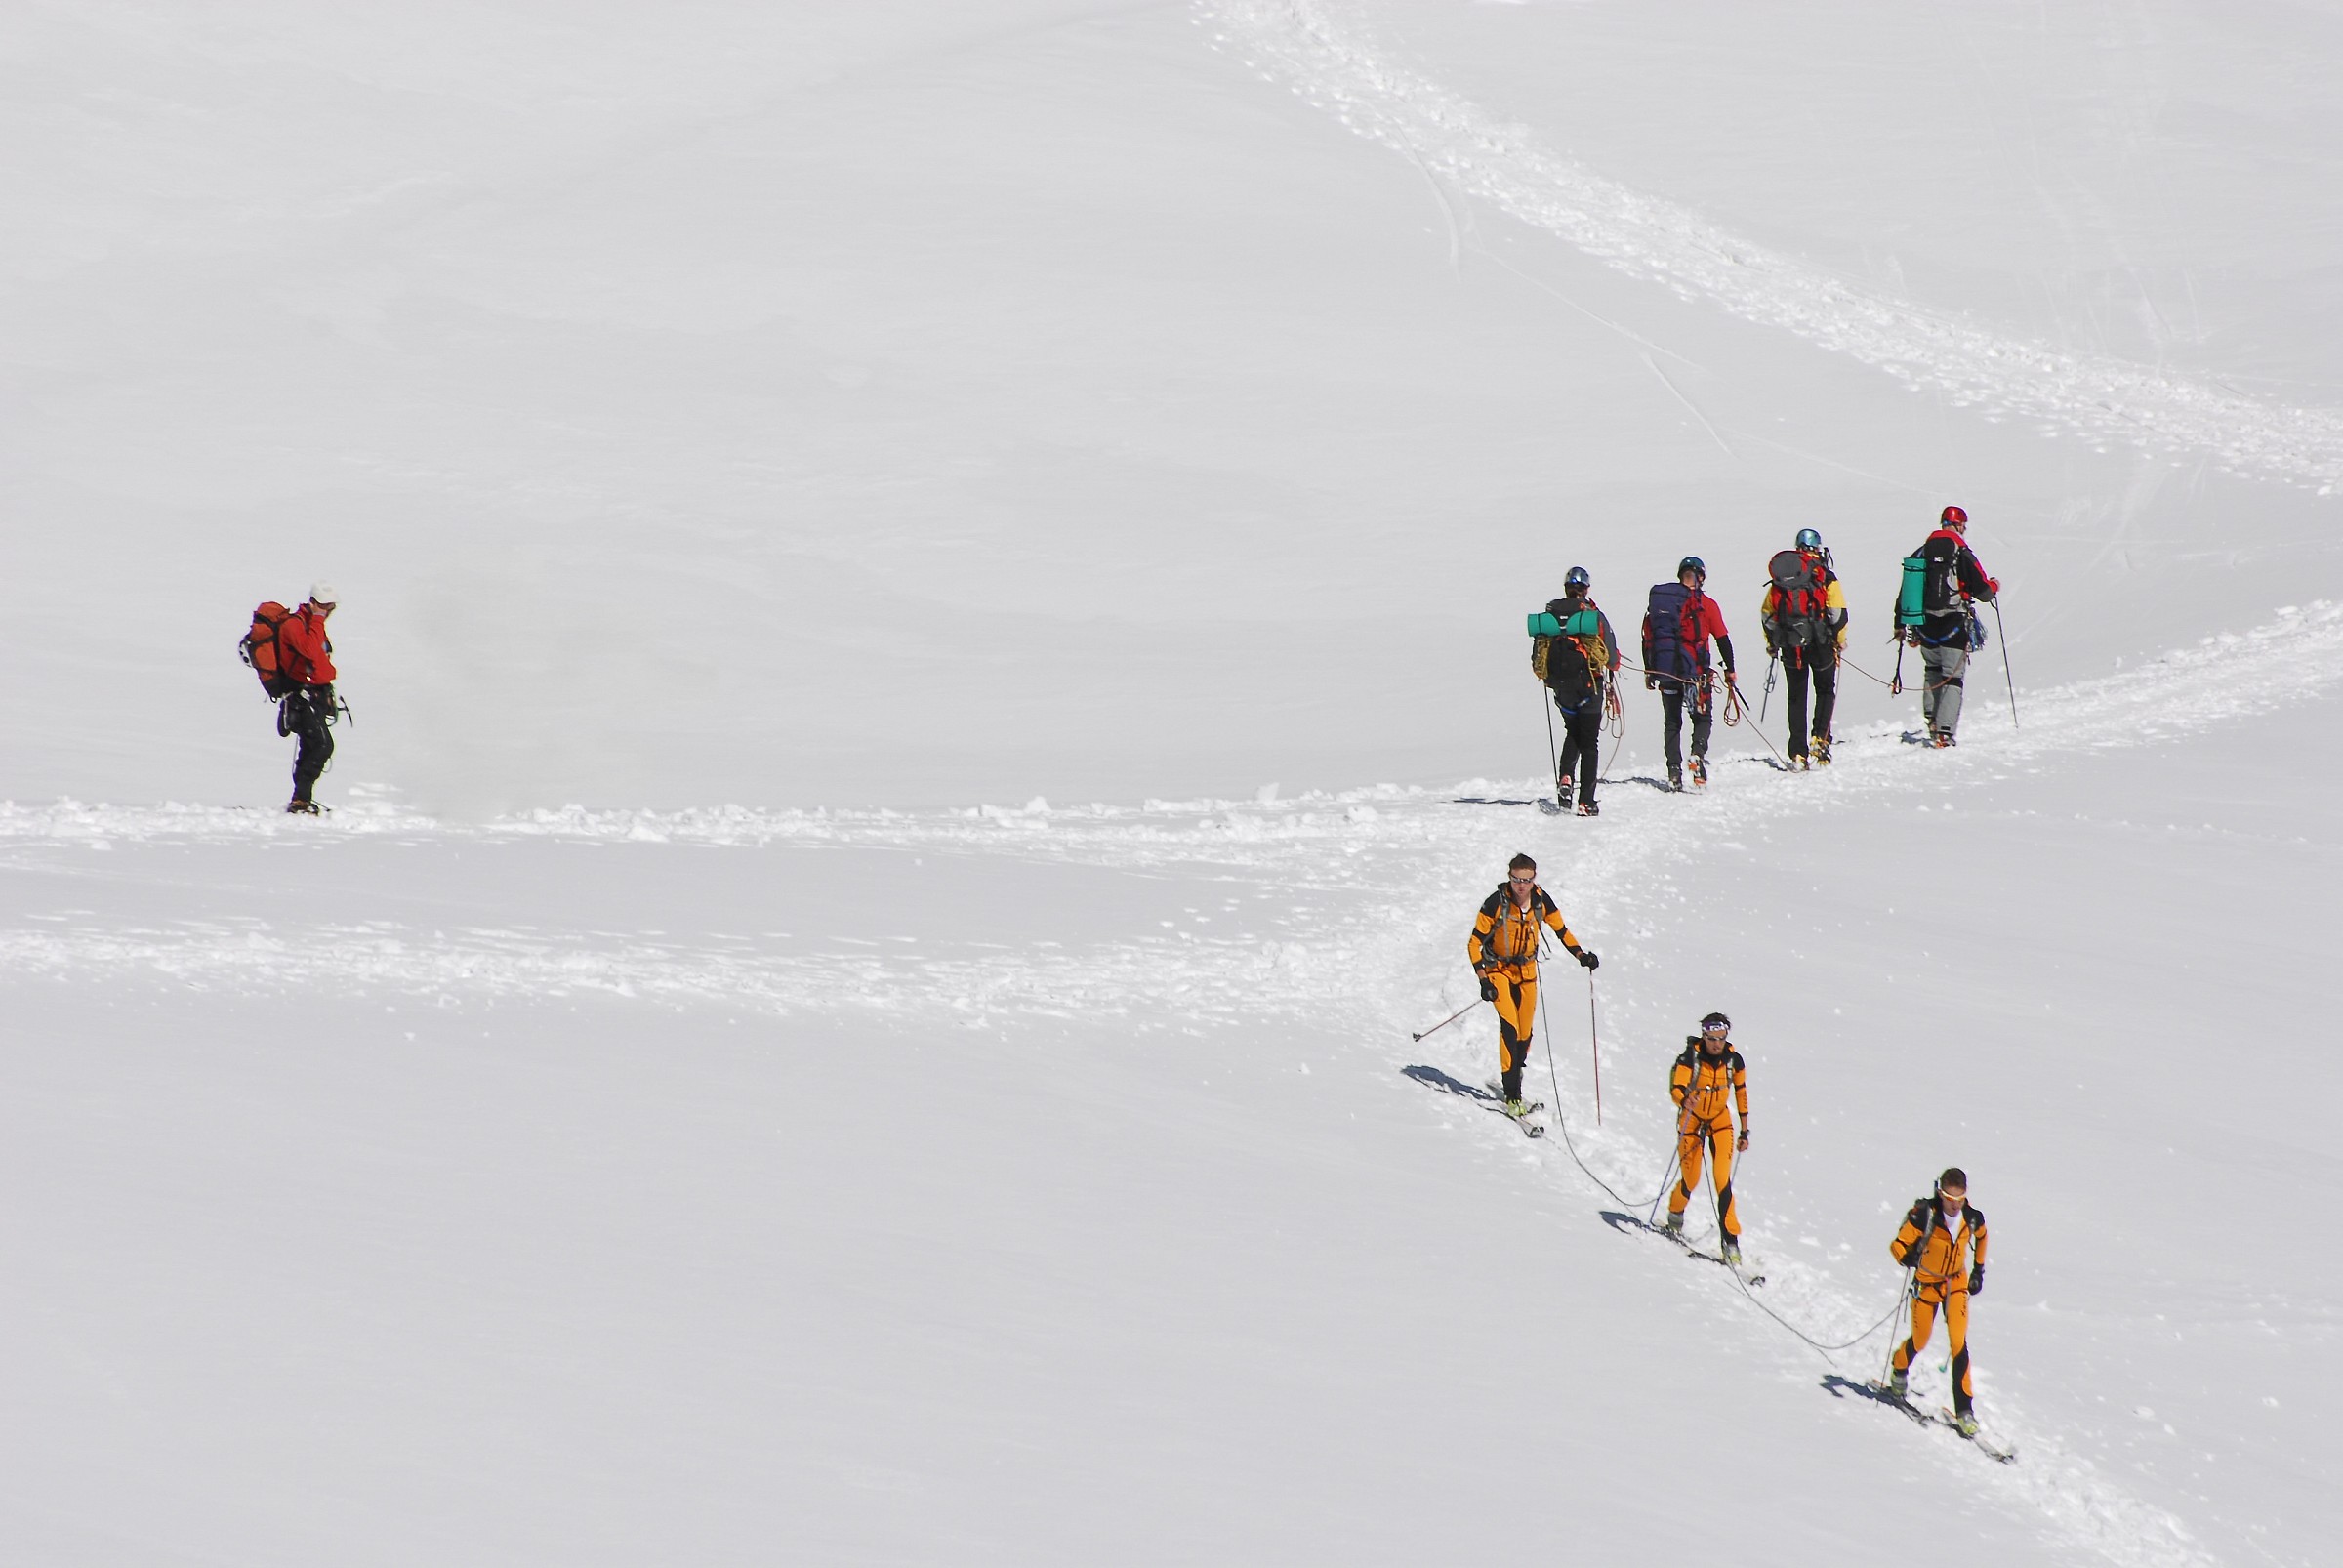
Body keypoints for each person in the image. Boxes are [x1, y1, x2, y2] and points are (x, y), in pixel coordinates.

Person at [1467, 852, 1599, 1116]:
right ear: (1509, 877)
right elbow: (1474, 943)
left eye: (1526, 880)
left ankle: (1515, 1074)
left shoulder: (1541, 900)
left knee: (1525, 1036)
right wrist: (1484, 980)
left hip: (1527, 971)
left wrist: (1581, 955)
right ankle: (1513, 1095)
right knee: (1510, 1029)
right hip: (1499, 970)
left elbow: (1561, 929)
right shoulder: (1495, 903)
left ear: (1534, 879)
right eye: (1517, 879)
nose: (1521, 885)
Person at [1888, 1167, 1989, 1434]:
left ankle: (1965, 1411)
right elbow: (1897, 1244)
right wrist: (1905, 1257)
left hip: (1956, 1284)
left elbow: (1982, 1236)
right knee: (1921, 1339)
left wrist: (1978, 1270)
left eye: (1960, 1199)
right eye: (1949, 1198)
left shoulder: (1971, 1218)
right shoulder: (1925, 1215)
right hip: (1928, 1285)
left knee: (1958, 1342)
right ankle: (1899, 1368)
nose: (1955, 1205)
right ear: (1940, 1193)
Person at [1906, 507, 1998, 748]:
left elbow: (1908, 589)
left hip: (1925, 624)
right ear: (1958, 526)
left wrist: (1901, 623)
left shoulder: (1921, 552)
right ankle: (1945, 732)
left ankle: (1932, 719)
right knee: (1952, 677)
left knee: (1932, 669)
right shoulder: (1962, 553)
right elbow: (1983, 591)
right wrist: (1994, 586)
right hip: (1954, 622)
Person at [1642, 557, 1737, 792]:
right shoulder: (1707, 604)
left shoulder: (1663, 605)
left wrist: (1649, 669)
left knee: (1672, 722)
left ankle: (1674, 771)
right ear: (1701, 577)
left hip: (1666, 672)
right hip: (1696, 673)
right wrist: (1730, 669)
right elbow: (1722, 638)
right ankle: (1697, 754)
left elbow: (1648, 637)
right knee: (1702, 718)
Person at [1664, 1011, 1750, 1265]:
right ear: (1705, 1035)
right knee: (1692, 1179)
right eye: (1712, 1038)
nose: (1716, 1044)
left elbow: (1742, 1094)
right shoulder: (1690, 1058)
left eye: (1721, 1038)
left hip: (1720, 1124)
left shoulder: (1734, 1061)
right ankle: (1676, 1211)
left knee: (1722, 1180)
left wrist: (1745, 1130)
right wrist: (1684, 1098)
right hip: (1691, 1122)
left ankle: (1730, 1241)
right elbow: (1676, 1087)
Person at [1757, 528, 1847, 767]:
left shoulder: (1782, 577)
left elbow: (1768, 613)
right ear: (1816, 548)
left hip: (1791, 645)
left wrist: (1773, 641)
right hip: (1821, 643)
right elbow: (1837, 612)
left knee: (1797, 697)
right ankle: (1820, 738)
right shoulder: (1824, 575)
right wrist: (1838, 641)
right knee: (1825, 689)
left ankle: (1798, 751)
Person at [1544, 566, 1621, 816]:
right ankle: (1586, 801)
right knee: (1589, 743)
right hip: (1589, 686)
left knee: (1572, 732)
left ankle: (1566, 778)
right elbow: (1610, 655)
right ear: (1586, 589)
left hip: (1561, 688)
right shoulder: (1593, 615)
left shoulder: (1553, 614)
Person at [276, 583, 342, 814]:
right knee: (323, 746)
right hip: (301, 697)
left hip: (316, 695)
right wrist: (317, 620)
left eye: (331, 607)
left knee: (312, 746)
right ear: (313, 603)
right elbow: (310, 651)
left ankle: (301, 799)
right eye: (324, 606)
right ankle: (300, 799)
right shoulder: (296, 625)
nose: (327, 612)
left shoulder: (312, 624)